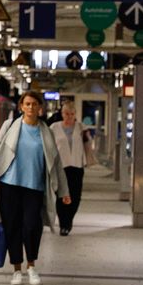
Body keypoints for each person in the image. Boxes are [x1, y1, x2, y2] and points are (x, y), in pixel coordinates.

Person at [0, 91, 70, 285]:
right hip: (10, 186)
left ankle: (32, 266)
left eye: (34, 104)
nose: (30, 107)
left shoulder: (46, 132)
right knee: (12, 228)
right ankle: (17, 269)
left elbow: (56, 162)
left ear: (40, 108)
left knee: (31, 226)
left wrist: (64, 191)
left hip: (34, 188)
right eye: (26, 104)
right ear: (21, 106)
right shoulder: (9, 126)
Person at [52, 100, 89, 236]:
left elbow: (88, 144)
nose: (69, 116)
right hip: (60, 166)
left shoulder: (81, 127)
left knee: (75, 196)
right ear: (62, 113)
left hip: (77, 166)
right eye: (66, 113)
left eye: (72, 114)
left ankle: (69, 220)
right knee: (61, 195)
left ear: (75, 114)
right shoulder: (54, 128)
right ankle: (63, 224)